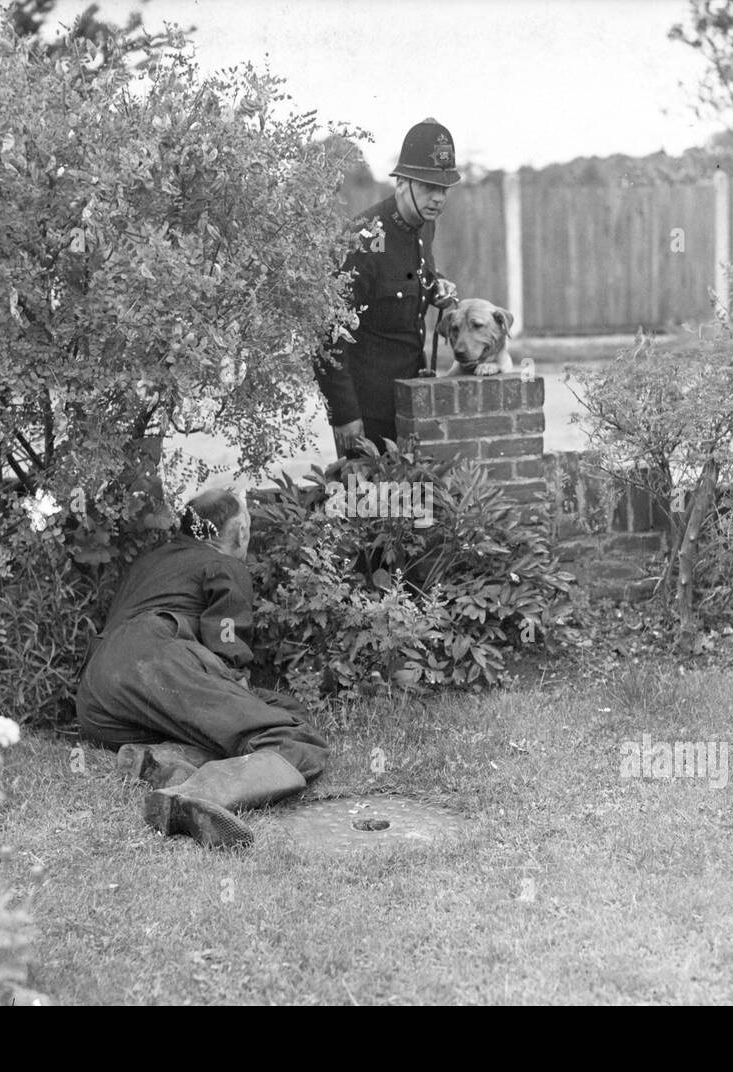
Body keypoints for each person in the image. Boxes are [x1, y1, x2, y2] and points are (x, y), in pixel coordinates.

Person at [76, 488, 329, 849]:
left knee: (281, 711)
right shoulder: (223, 565)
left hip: (99, 703)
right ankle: (196, 798)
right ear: (240, 531)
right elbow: (226, 655)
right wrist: (247, 706)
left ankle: (163, 759)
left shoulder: (150, 561)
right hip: (154, 659)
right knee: (294, 739)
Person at [314, 118, 460, 457]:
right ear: (402, 182)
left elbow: (412, 276)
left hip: (411, 400)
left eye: (444, 188)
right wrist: (345, 415)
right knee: (371, 505)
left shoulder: (423, 228)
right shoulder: (363, 239)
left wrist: (438, 289)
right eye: (428, 186)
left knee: (413, 503)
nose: (438, 198)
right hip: (370, 413)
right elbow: (326, 335)